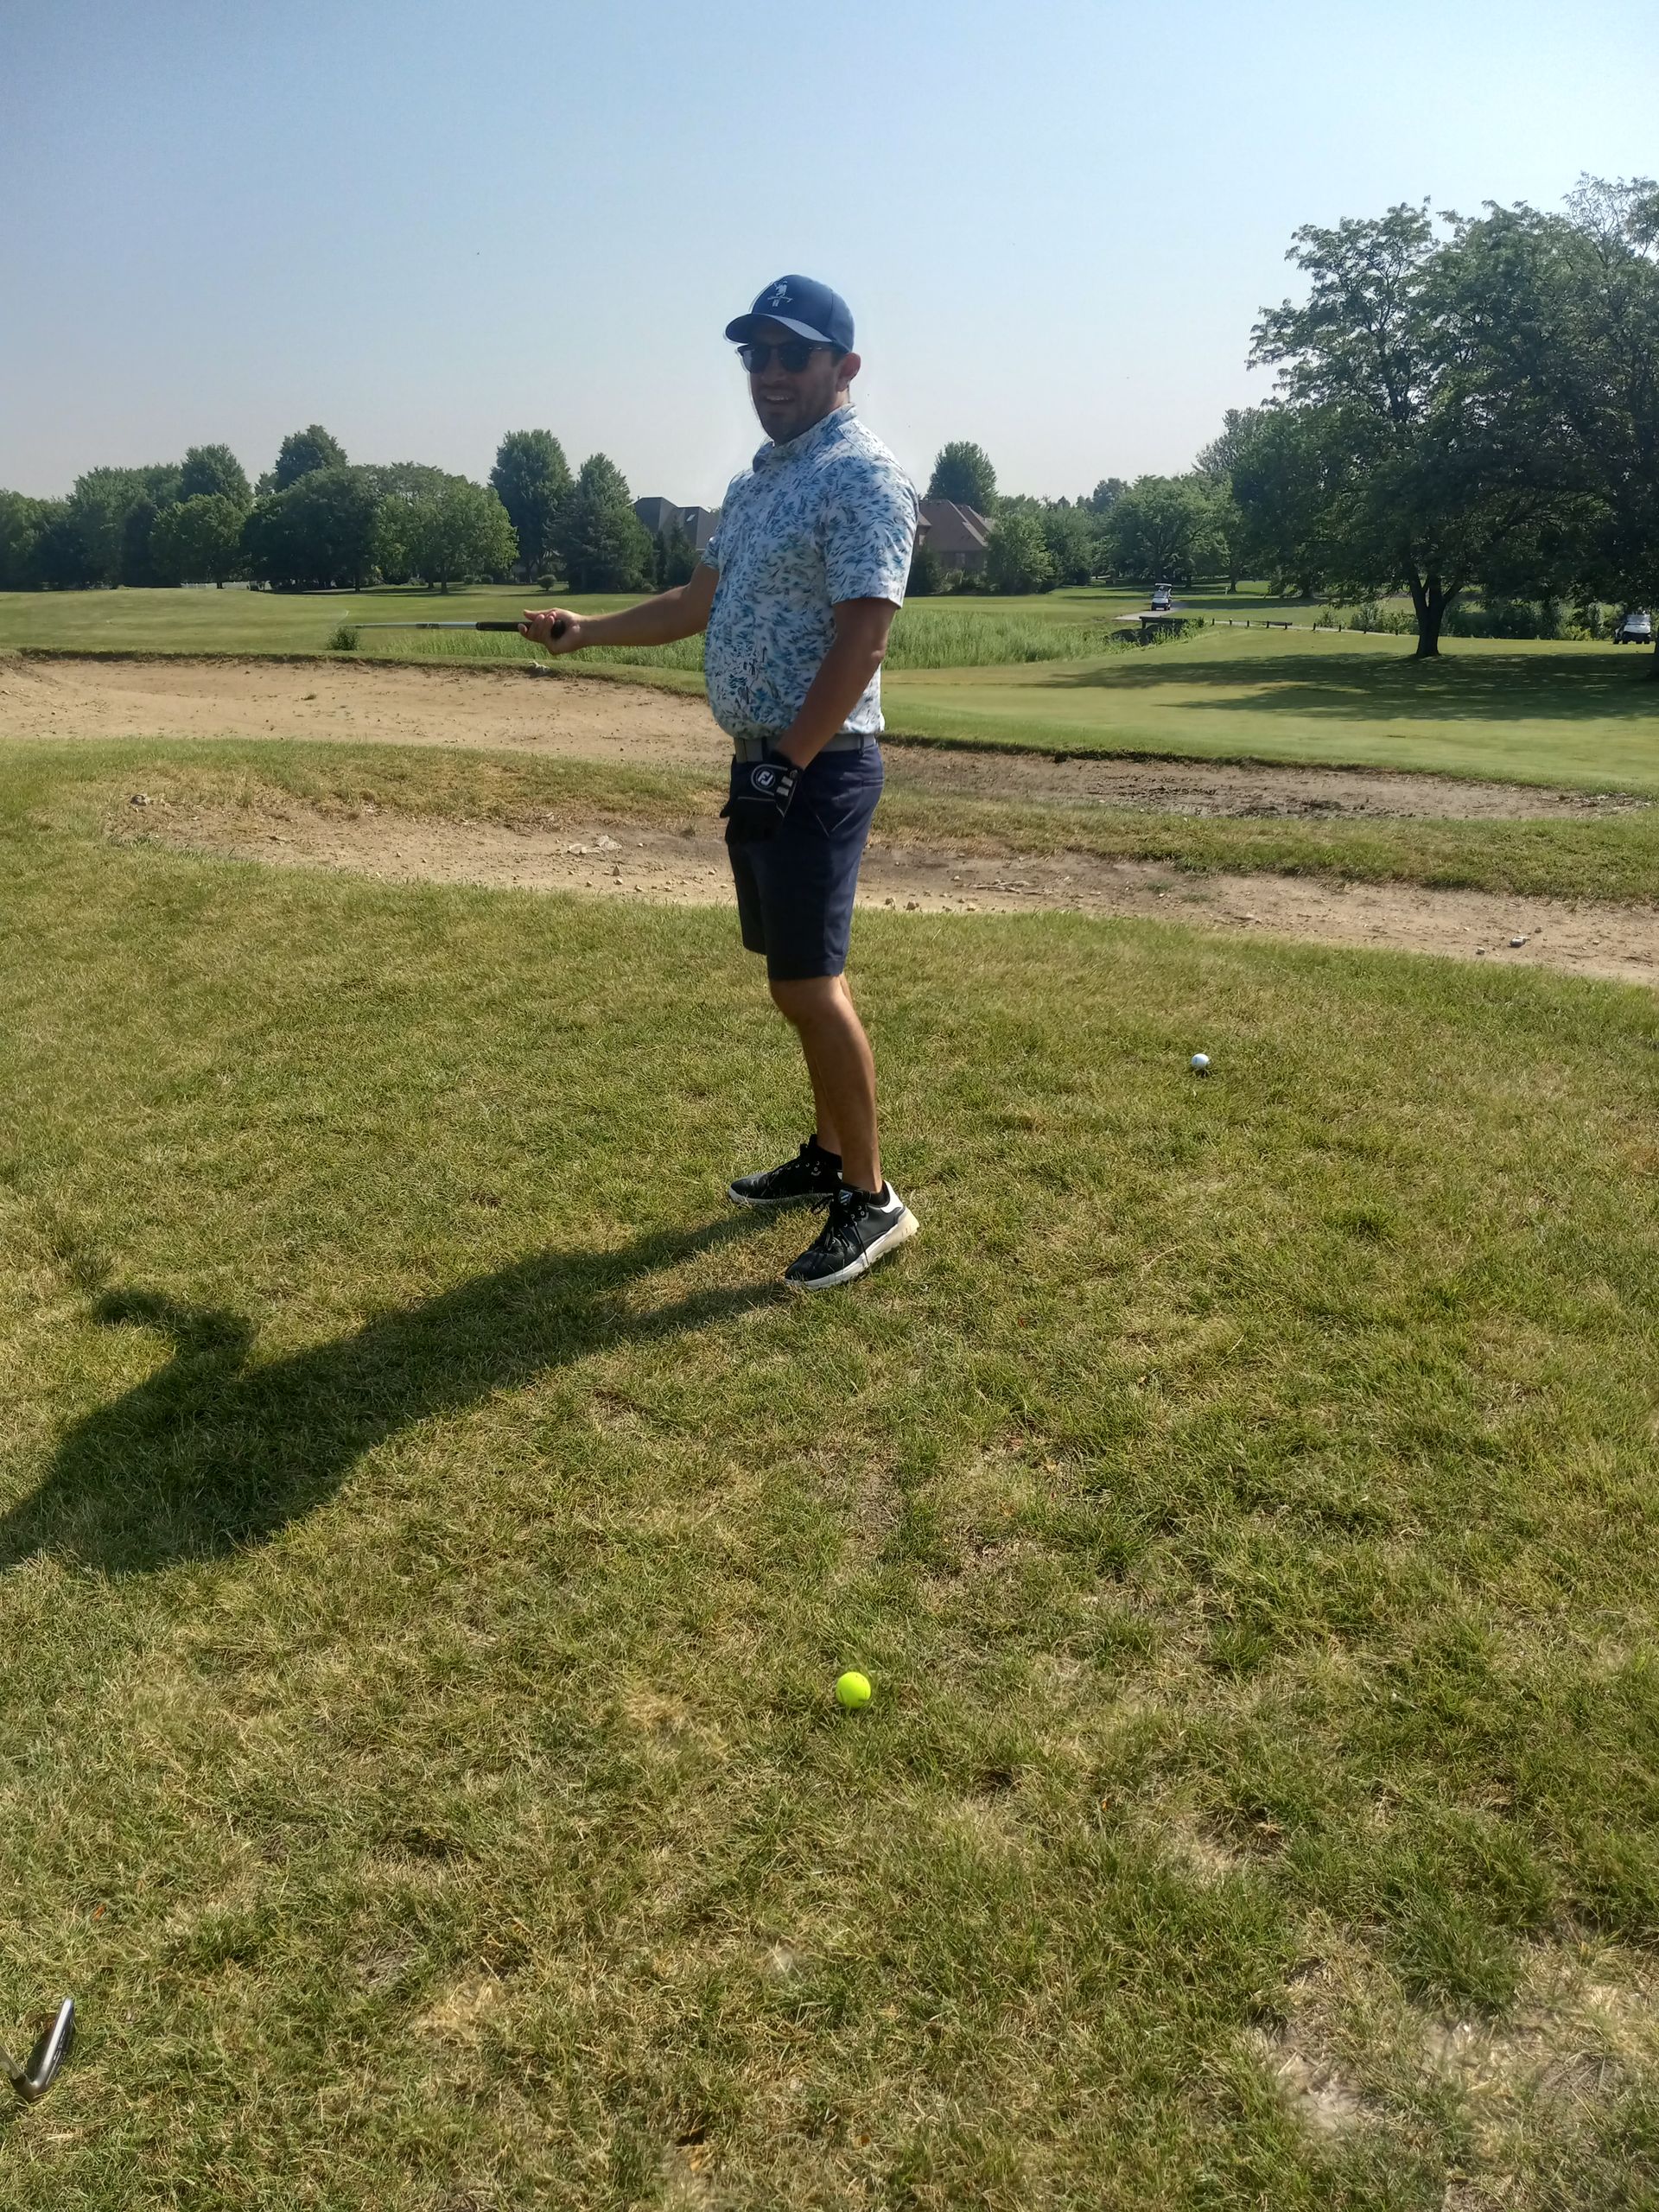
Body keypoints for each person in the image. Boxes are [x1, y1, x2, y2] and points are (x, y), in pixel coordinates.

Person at [522, 276, 920, 1292]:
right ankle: (829, 1154)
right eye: (756, 355)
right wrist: (588, 632)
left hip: (817, 767)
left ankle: (871, 1201)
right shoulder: (755, 485)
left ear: (844, 368)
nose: (772, 373)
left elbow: (863, 639)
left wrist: (787, 766)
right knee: (801, 976)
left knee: (805, 981)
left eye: (793, 355)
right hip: (763, 765)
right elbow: (698, 601)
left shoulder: (863, 477)